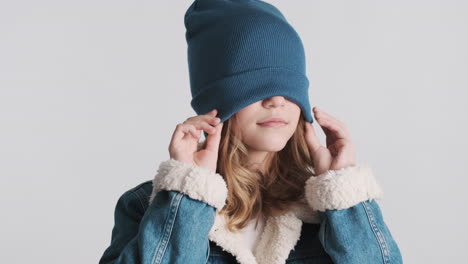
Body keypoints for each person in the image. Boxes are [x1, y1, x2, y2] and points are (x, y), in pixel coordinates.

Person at [99, 0, 403, 263]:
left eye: (288, 87)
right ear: (217, 100)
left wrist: (342, 193)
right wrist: (188, 193)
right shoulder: (146, 206)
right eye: (254, 87)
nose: (277, 100)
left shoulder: (326, 207)